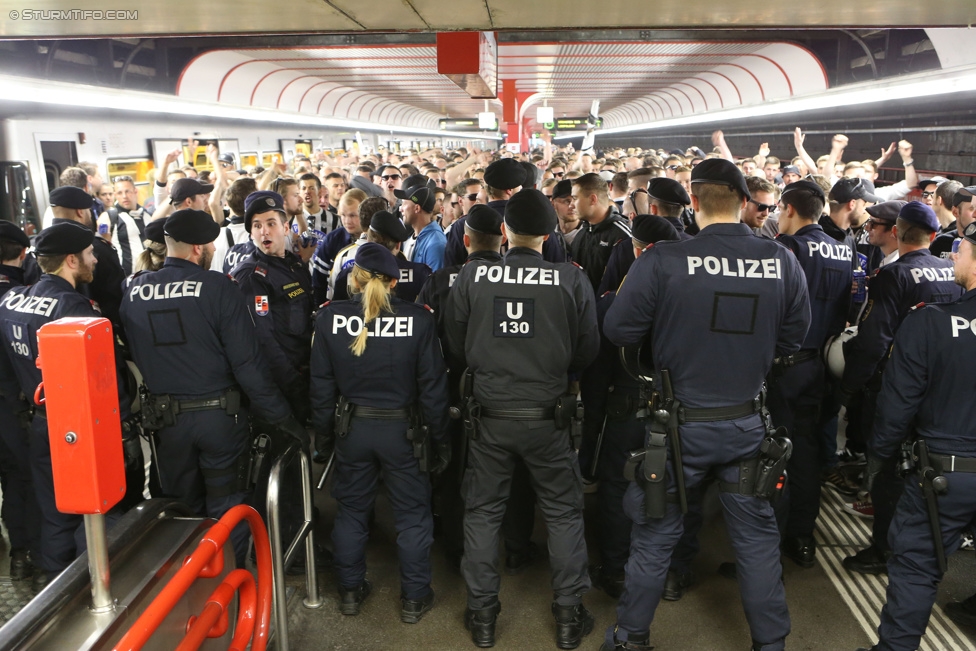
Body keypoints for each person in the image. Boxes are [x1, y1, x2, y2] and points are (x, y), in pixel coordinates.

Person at [601, 159, 811, 651]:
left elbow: (618, 330)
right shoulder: (781, 260)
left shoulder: (663, 259)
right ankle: (771, 644)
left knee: (654, 535)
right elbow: (794, 337)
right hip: (746, 423)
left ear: (692, 203)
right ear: (744, 203)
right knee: (757, 542)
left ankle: (631, 639)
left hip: (678, 428)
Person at [445, 189, 599, 650]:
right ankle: (569, 617)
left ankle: (483, 615)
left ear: (505, 232)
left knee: (483, 511)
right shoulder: (571, 280)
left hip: (488, 418)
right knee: (563, 512)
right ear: (550, 235)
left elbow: (455, 344)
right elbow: (587, 351)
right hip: (549, 419)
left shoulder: (473, 279)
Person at [119, 208, 305, 561]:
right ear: (199, 248)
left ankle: (191, 590)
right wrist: (283, 418)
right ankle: (229, 592)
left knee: (182, 510)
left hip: (166, 425)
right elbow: (248, 365)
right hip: (220, 421)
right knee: (228, 507)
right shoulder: (217, 287)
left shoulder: (134, 291)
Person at [854, 220, 976, 651]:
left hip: (943, 473)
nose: (953, 257)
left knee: (917, 568)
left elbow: (897, 403)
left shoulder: (930, 323)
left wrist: (879, 459)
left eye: (960, 250)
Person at [311, 242, 449, 623]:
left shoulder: (328, 319)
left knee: (352, 512)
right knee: (412, 515)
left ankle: (350, 592)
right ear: (394, 281)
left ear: (353, 279)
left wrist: (323, 438)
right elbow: (433, 390)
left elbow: (320, 389)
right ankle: (414, 598)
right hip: (404, 432)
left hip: (352, 429)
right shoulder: (420, 319)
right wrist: (440, 441)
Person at [0, 222, 134, 590]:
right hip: (79, 428)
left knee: (53, 510)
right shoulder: (74, 308)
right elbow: (108, 379)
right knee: (92, 510)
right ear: (72, 260)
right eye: (91, 254)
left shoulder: (10, 301)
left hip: (38, 421)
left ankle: (52, 586)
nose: (95, 260)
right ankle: (87, 590)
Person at [840, 201, 963, 575]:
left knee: (890, 467)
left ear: (897, 232)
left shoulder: (892, 277)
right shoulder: (948, 270)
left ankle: (885, 548)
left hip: (897, 384)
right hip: (939, 387)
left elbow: (875, 341)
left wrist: (848, 387)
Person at [582, 214, 684, 601]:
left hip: (625, 409)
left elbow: (595, 378)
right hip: (676, 411)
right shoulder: (688, 297)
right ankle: (666, 572)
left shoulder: (613, 302)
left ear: (637, 250)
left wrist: (590, 437)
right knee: (671, 491)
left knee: (616, 491)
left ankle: (616, 570)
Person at [767, 180, 853, 568]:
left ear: (788, 209)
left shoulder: (787, 249)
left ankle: (767, 540)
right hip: (820, 365)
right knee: (805, 452)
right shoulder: (843, 250)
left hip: (783, 366)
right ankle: (801, 535)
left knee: (771, 454)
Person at [230, 191, 314, 424]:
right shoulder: (252, 276)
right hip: (283, 385)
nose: (263, 231)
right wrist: (294, 385)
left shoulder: (294, 264)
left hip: (306, 374)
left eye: (270, 223)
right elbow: (263, 340)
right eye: (256, 225)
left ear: (286, 228)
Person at [0, 221, 40, 584]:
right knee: (20, 479)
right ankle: (23, 555)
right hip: (10, 404)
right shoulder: (17, 296)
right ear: (23, 253)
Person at [44, 186, 127, 329]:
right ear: (80, 212)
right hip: (94, 328)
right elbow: (116, 300)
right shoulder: (97, 248)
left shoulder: (42, 247)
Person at [571, 172, 632, 290]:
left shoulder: (623, 236)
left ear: (593, 199)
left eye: (575, 198)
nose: (571, 205)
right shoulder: (581, 234)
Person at [397, 184, 446, 272]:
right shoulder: (411, 238)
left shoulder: (436, 243)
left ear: (417, 208)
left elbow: (435, 283)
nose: (401, 209)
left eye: (404, 204)